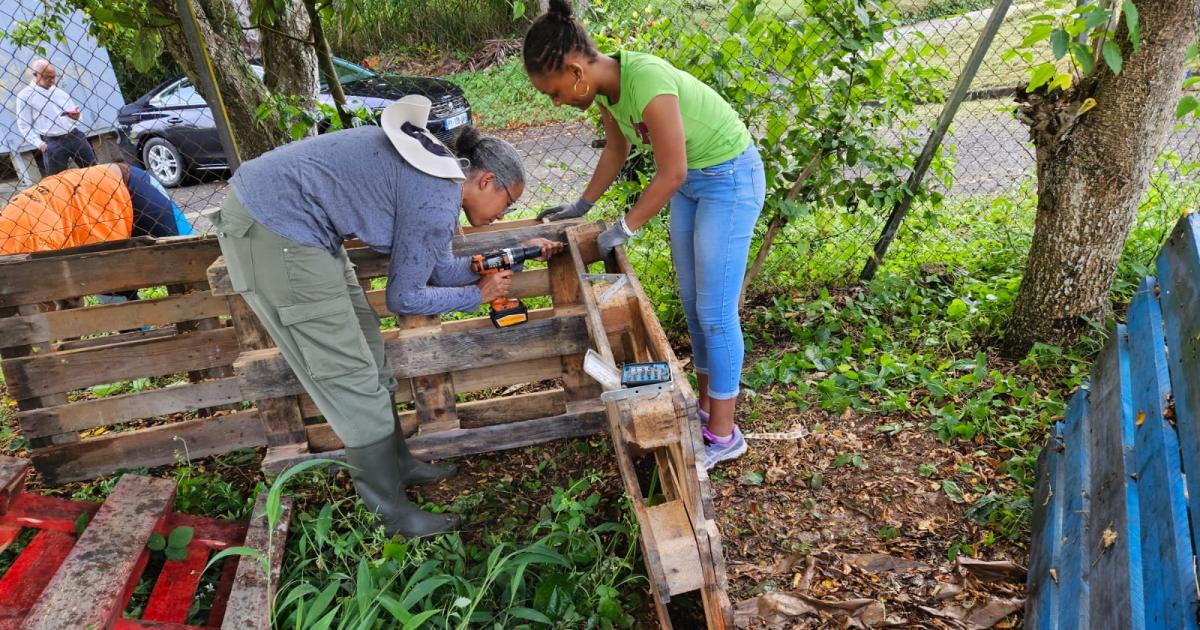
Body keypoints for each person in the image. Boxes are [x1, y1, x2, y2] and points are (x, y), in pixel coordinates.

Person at [213, 95, 562, 537]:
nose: (503, 216)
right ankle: (390, 515)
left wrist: (507, 260)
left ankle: (397, 464)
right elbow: (406, 296)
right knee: (350, 371)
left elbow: (438, 268)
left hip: (300, 226)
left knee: (369, 348)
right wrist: (477, 297)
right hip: (276, 228)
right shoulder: (437, 195)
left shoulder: (439, 177)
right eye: (507, 204)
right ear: (486, 180)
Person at [522, 0, 766, 470]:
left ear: (575, 72)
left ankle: (724, 435)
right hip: (695, 184)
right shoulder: (610, 93)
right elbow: (617, 148)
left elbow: (670, 172)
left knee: (716, 312)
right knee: (695, 304)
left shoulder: (646, 80)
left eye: (554, 93)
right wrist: (582, 205)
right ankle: (704, 409)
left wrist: (624, 228)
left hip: (729, 180)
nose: (558, 103)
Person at [1, 162, 190, 255]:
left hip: (129, 186)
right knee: (109, 290)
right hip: (89, 228)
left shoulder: (18, 243)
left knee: (188, 253)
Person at [15, 59, 97, 176]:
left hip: (75, 136)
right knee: (57, 181)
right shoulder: (25, 96)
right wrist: (39, 144)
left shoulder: (60, 93)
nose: (52, 81)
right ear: (35, 74)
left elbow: (77, 116)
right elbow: (23, 124)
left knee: (94, 171)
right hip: (52, 142)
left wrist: (76, 117)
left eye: (53, 77)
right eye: (47, 77)